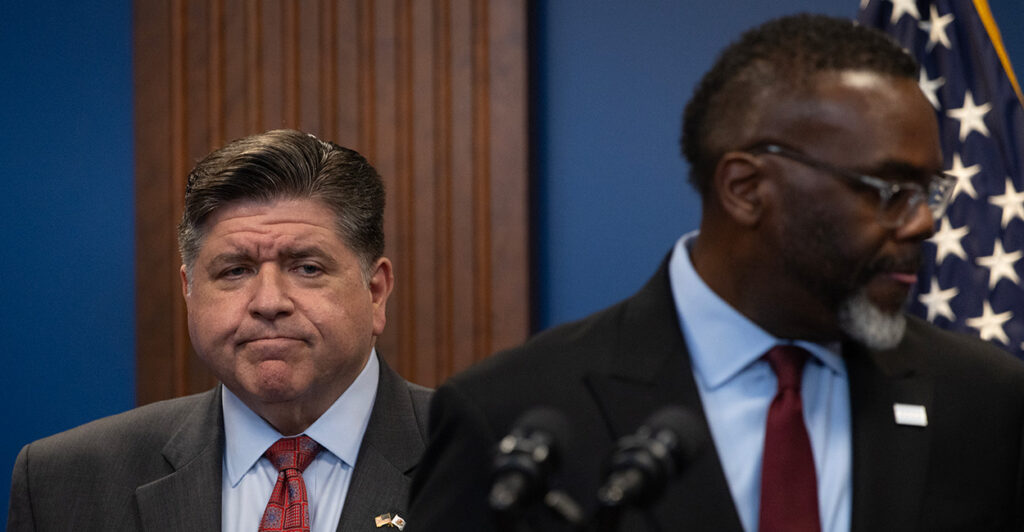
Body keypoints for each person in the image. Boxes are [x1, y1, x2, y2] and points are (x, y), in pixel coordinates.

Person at [407, 14, 1024, 532]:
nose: (922, 223)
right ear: (746, 188)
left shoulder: (984, 401)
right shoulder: (512, 413)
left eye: (929, 192)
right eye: (889, 190)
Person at [8, 129, 432, 531]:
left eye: (307, 268)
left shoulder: (478, 460)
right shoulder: (64, 482)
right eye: (235, 271)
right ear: (189, 291)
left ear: (375, 292)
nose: (268, 302)